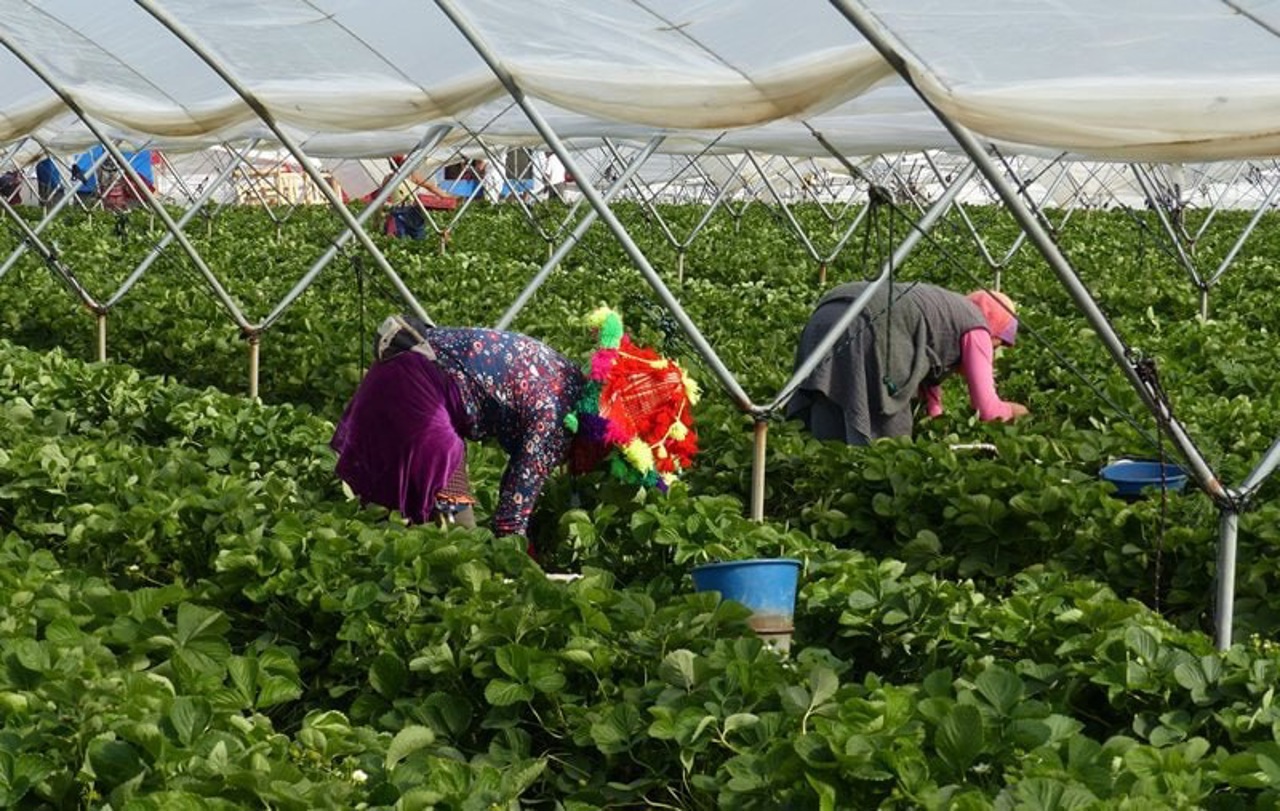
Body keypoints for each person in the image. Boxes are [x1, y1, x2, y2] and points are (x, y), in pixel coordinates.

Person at [330, 310, 699, 544]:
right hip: (412, 387)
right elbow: (512, 511)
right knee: (458, 522)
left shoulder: (565, 377)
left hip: (403, 373)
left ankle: (380, 546)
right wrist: (517, 570)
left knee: (415, 507)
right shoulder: (557, 420)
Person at [787, 281, 1029, 445]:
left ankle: (825, 485)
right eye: (997, 346)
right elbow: (987, 410)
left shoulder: (947, 309)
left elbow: (928, 381)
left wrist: (936, 419)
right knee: (885, 430)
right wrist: (1019, 413)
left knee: (830, 407)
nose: (993, 355)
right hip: (867, 323)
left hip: (828, 313)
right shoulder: (978, 327)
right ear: (994, 329)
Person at [382, 155, 455, 239]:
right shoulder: (389, 178)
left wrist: (447, 197)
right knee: (400, 236)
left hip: (411, 210)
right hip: (397, 212)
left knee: (415, 235)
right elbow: (381, 198)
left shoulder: (411, 176)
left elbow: (431, 187)